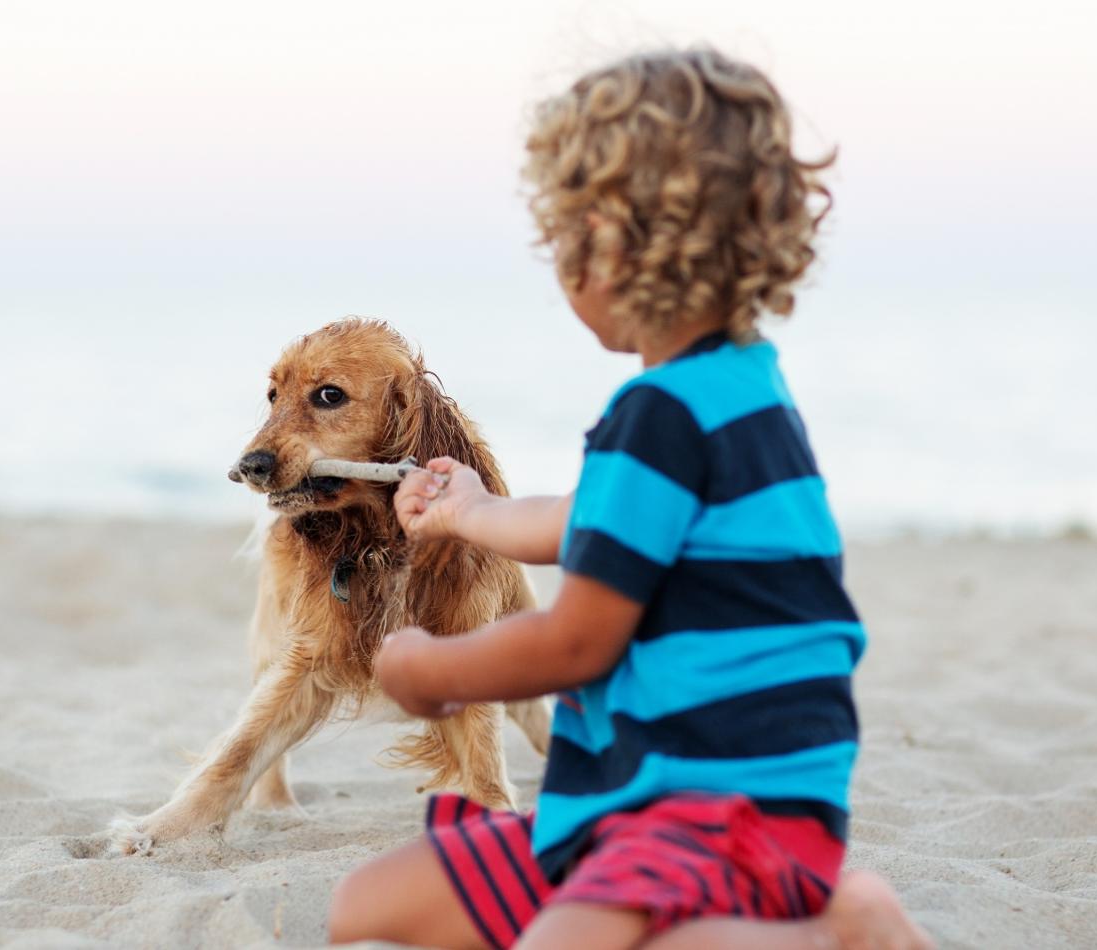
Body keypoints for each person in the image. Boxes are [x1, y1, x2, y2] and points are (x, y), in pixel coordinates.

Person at [328, 48, 932, 950]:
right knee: (369, 909)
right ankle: (820, 914)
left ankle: (836, 929)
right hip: (640, 804)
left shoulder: (661, 416)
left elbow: (577, 641)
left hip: (716, 801)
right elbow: (589, 523)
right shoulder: (739, 390)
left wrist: (433, 675)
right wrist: (469, 511)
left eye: (563, 237)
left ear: (605, 244)